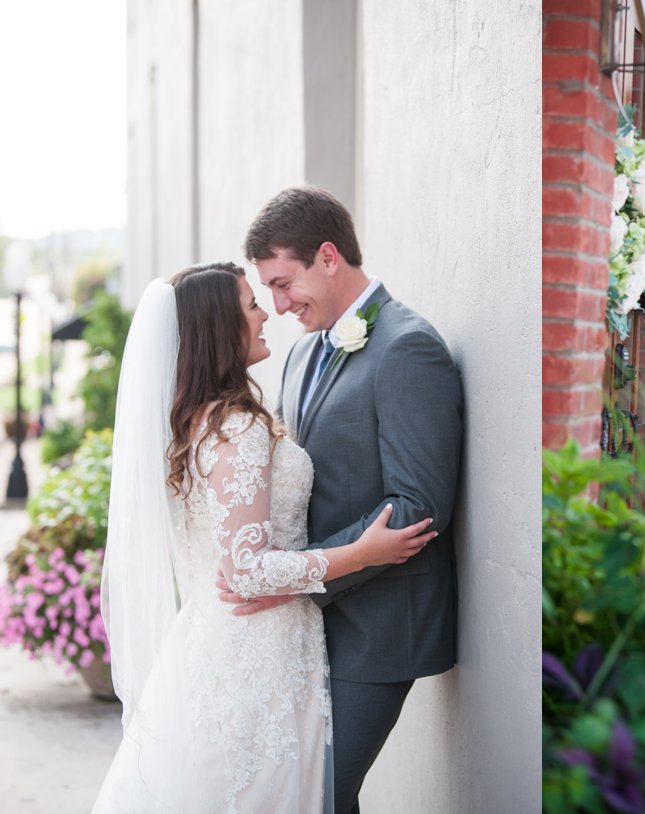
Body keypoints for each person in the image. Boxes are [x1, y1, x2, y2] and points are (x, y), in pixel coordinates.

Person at [93, 264, 437, 813]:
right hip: (260, 647)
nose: (265, 315)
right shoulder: (237, 428)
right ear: (220, 329)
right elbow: (246, 570)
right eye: (252, 304)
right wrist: (362, 553)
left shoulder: (190, 424)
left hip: (220, 640)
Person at [227, 186, 463, 814]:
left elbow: (415, 507)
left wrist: (303, 578)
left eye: (283, 283)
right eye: (267, 291)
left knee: (320, 793)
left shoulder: (409, 348)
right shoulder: (303, 353)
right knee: (306, 793)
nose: (276, 306)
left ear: (328, 256)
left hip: (382, 627)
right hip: (308, 618)